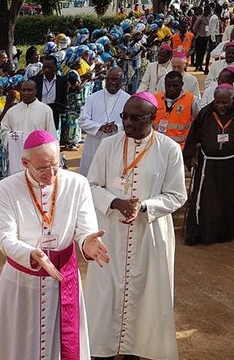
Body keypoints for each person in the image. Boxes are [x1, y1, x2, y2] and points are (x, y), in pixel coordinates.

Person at [0, 130, 110, 360]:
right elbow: (6, 238)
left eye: (55, 165)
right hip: (23, 281)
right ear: (25, 162)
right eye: (42, 168)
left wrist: (87, 243)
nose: (51, 173)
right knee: (20, 343)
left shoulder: (77, 184)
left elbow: (85, 228)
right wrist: (31, 253)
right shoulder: (6, 188)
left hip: (64, 277)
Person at [85, 92, 187, 360]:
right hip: (111, 234)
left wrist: (144, 207)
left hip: (149, 236)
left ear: (152, 118)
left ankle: (136, 350)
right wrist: (115, 201)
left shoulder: (169, 149)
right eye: (124, 116)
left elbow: (178, 195)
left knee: (145, 296)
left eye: (135, 118)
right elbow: (91, 185)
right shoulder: (108, 146)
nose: (127, 123)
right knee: (105, 296)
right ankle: (101, 351)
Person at [184, 83, 234, 245]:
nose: (220, 106)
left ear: (232, 99)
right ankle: (200, 233)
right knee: (205, 200)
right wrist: (192, 156)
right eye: (218, 102)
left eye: (225, 103)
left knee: (227, 199)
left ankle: (225, 233)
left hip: (230, 165)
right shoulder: (205, 113)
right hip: (207, 164)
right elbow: (193, 137)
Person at [78, 68, 131, 176]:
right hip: (94, 143)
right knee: (92, 174)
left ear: (121, 81)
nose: (113, 82)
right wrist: (100, 127)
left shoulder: (128, 100)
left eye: (116, 79)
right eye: (110, 79)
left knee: (113, 176)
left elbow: (132, 123)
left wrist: (117, 127)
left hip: (117, 144)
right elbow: (82, 120)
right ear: (105, 80)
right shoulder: (93, 97)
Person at [0, 80, 57, 175]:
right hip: (17, 155)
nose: (26, 93)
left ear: (36, 91)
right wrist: (13, 138)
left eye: (29, 90)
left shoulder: (45, 110)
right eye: (23, 90)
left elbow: (51, 134)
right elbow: (3, 131)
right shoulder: (12, 111)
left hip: (38, 154)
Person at [153, 71, 200, 149]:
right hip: (158, 147)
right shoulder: (155, 99)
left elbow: (199, 122)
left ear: (182, 84)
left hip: (180, 149)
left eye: (175, 86)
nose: (171, 89)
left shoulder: (191, 100)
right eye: (168, 86)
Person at [30, 55, 68, 131]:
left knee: (52, 138)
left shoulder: (62, 81)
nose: (46, 70)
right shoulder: (35, 80)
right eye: (44, 67)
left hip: (54, 113)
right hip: (37, 112)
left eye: (49, 67)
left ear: (55, 67)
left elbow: (64, 98)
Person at [192, 6, 211, 72]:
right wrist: (197, 34)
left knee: (203, 52)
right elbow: (194, 28)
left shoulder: (208, 18)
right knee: (198, 52)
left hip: (205, 38)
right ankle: (197, 66)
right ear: (206, 10)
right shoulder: (200, 18)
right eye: (209, 10)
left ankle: (200, 65)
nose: (210, 12)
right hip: (199, 37)